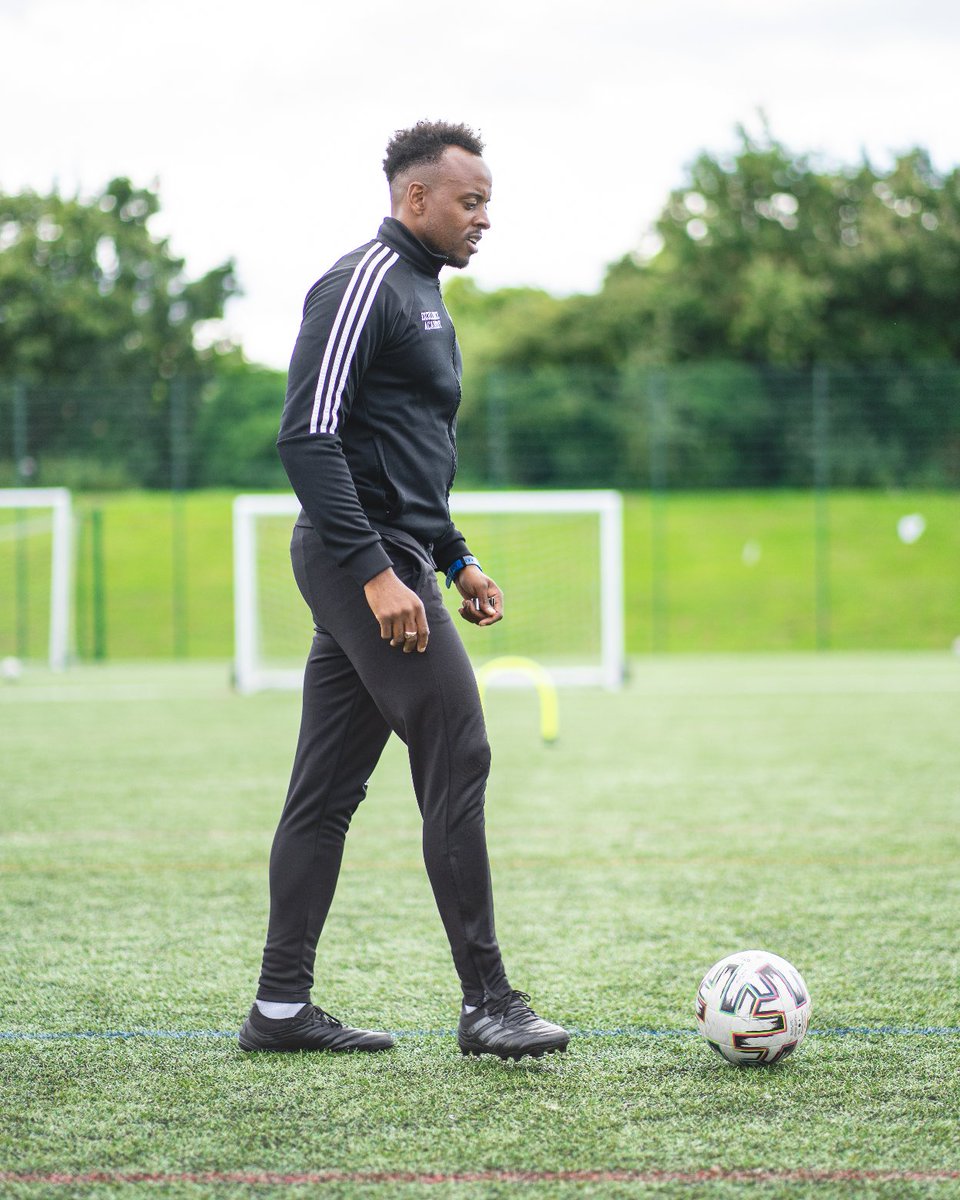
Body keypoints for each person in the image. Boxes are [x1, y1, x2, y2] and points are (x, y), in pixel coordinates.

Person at [238, 120, 569, 1061]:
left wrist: (455, 559)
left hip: (398, 555)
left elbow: (410, 457)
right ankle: (489, 1004)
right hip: (360, 560)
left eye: (488, 203)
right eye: (471, 201)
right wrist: (379, 573)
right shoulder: (363, 282)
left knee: (325, 790)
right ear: (415, 197)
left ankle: (279, 1009)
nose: (484, 219)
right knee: (459, 752)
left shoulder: (427, 297)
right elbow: (307, 438)